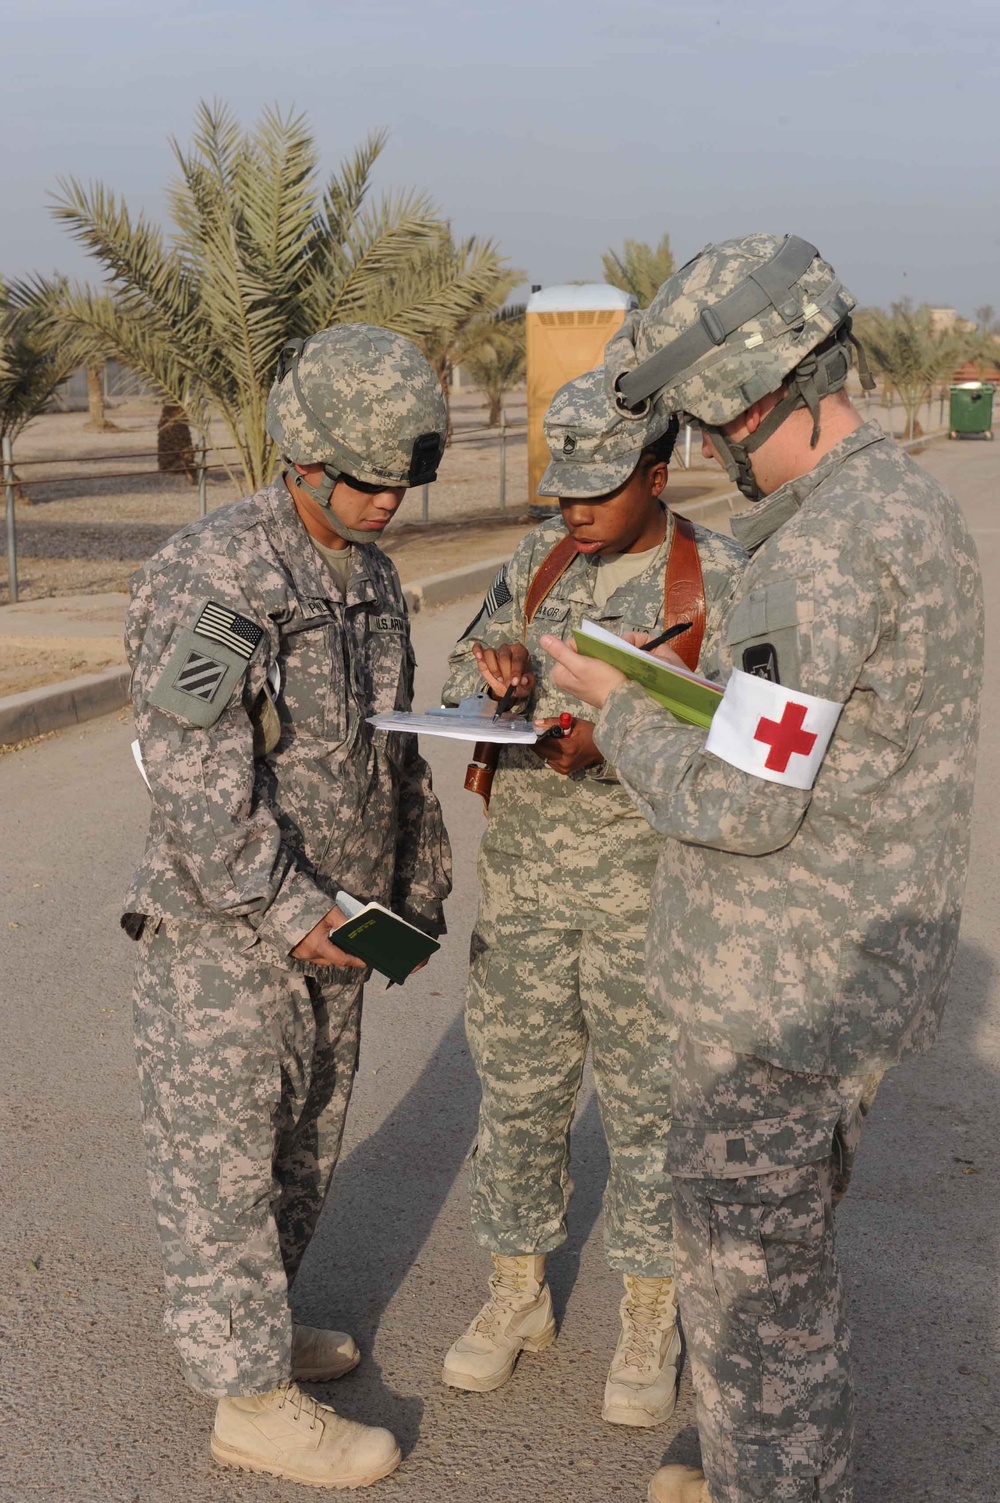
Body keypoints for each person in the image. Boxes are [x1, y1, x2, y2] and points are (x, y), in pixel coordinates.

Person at [540, 234, 984, 1503]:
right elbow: (807, 737)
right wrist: (688, 693)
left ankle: (773, 1480)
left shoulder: (821, 551)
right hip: (833, 981)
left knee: (750, 1319)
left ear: (750, 403)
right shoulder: (896, 504)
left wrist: (615, 710)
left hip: (773, 998)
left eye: (697, 426)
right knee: (780, 1287)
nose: (701, 456)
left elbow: (742, 803)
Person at [123, 324, 453, 1490]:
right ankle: (249, 1403)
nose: (386, 502)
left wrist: (408, 888)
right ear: (301, 459)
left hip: (337, 929)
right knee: (220, 1163)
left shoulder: (370, 580)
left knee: (301, 1152)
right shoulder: (214, 579)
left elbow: (385, 750)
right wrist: (282, 903)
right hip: (231, 934)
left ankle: (252, 1337)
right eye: (364, 480)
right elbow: (190, 767)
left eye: (402, 479)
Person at [438, 368, 746, 1425]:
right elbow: (453, 675)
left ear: (658, 475)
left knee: (650, 1110)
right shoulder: (542, 558)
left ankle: (650, 1311)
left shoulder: (717, 582)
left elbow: (760, 746)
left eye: (597, 489)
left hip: (650, 906)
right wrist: (493, 684)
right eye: (560, 487)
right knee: (516, 1093)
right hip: (524, 891)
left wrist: (615, 742)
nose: (573, 509)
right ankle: (515, 1294)